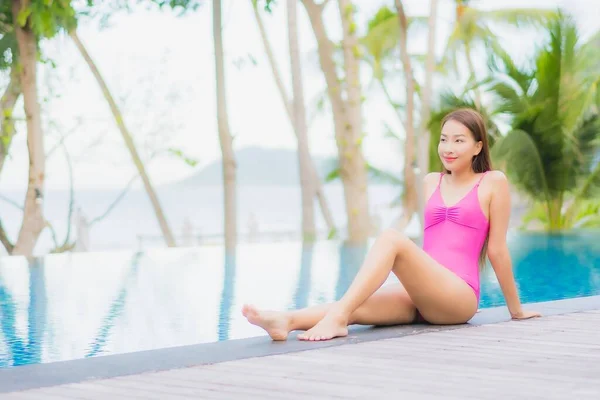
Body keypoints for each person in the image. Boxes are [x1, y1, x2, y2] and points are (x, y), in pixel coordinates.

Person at [242, 108, 541, 342]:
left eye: (459, 140)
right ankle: (285, 320)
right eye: (444, 139)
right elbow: (433, 246)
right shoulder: (430, 182)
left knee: (390, 239)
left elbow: (498, 250)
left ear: (478, 147)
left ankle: (337, 319)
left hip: (458, 297)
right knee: (358, 304)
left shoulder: (492, 182)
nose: (448, 147)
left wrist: (516, 310)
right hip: (423, 294)